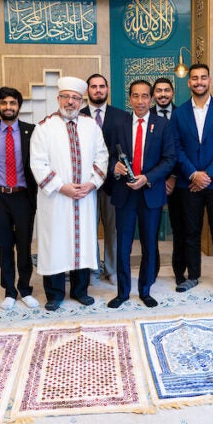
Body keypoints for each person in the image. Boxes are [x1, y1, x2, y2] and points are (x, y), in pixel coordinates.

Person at [30, 76, 108, 311]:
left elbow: (102, 156)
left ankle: (80, 291)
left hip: (84, 197)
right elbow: (38, 164)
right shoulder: (44, 127)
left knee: (82, 243)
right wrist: (62, 187)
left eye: (76, 98)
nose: (71, 102)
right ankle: (54, 294)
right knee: (55, 244)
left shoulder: (91, 126)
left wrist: (92, 183)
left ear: (81, 100)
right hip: (56, 199)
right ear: (59, 99)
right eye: (67, 97)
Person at [106, 80, 176, 308]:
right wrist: (114, 166)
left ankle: (145, 290)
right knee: (123, 245)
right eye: (135, 96)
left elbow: (170, 159)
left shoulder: (163, 125)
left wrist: (148, 178)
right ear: (130, 99)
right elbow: (107, 155)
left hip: (149, 192)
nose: (140, 101)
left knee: (149, 244)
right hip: (124, 193)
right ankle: (123, 292)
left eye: (145, 96)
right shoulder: (119, 123)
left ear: (151, 99)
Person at [170, 63, 213, 295]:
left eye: (203, 78)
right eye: (194, 78)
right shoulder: (178, 114)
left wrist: (207, 175)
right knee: (191, 231)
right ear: (188, 82)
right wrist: (193, 174)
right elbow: (176, 148)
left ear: (210, 81)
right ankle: (193, 276)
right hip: (188, 182)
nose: (199, 82)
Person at [0, 87, 39, 311]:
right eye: (4, 103)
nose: (8, 107)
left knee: (23, 245)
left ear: (19, 106)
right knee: (5, 244)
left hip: (23, 196)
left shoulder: (31, 131)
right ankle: (9, 290)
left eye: (12, 103)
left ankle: (25, 288)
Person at [80, 73, 128, 285]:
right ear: (87, 91)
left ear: (107, 89)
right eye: (93, 87)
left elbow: (125, 149)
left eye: (102, 86)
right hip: (85, 183)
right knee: (88, 228)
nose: (98, 90)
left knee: (113, 229)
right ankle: (91, 271)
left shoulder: (122, 116)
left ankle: (112, 269)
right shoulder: (77, 115)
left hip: (113, 182)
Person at [152, 77, 185, 284]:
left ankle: (180, 272)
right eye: (158, 91)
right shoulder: (145, 114)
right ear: (154, 94)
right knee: (151, 230)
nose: (163, 94)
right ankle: (151, 272)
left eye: (166, 91)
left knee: (179, 229)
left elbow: (183, 148)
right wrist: (160, 177)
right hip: (154, 181)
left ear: (172, 93)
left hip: (179, 181)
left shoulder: (182, 114)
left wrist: (172, 177)